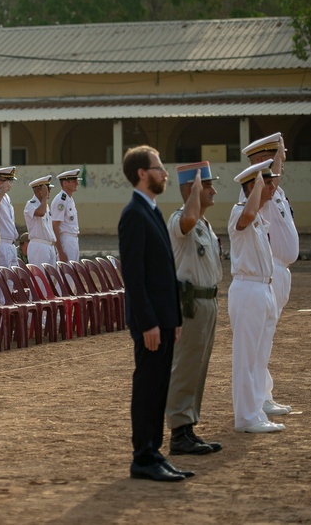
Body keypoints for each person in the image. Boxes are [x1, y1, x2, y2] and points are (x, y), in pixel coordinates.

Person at [118, 145, 192, 482]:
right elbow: (134, 276)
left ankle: (155, 451)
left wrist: (173, 318)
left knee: (160, 385)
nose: (164, 173)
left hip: (163, 320)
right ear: (142, 174)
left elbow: (165, 271)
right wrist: (148, 322)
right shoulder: (134, 213)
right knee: (148, 386)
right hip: (150, 323)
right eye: (159, 168)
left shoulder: (151, 209)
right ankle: (142, 456)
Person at [165, 162, 224, 455]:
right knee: (185, 366)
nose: (213, 191)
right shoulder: (180, 221)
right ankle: (178, 433)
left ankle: (188, 427)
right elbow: (186, 218)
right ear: (191, 191)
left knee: (198, 367)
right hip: (189, 304)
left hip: (208, 301)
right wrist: (194, 191)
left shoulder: (205, 225)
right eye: (207, 185)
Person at [242, 133, 299, 417]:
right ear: (264, 162)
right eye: (278, 158)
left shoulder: (275, 191)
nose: (282, 162)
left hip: (281, 272)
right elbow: (269, 180)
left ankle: (264, 394)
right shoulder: (260, 190)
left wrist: (275, 153)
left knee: (268, 337)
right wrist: (276, 152)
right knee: (262, 339)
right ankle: (258, 398)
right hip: (270, 271)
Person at [228, 157, 285, 434]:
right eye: (267, 185)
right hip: (247, 288)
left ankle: (256, 411)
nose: (272, 191)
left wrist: (264, 184)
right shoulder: (240, 211)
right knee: (246, 359)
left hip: (262, 287)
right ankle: (246, 417)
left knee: (258, 357)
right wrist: (257, 187)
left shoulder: (259, 218)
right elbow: (246, 217)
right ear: (252, 187)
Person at [0, 166, 20, 268]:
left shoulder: (6, 196)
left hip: (11, 243)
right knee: (2, 281)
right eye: (8, 181)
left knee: (13, 281)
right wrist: (1, 190)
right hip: (1, 242)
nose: (11, 184)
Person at [23, 175, 58, 267]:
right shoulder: (31, 204)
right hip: (39, 246)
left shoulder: (45, 205)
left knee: (51, 278)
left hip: (49, 245)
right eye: (47, 190)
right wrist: (44, 197)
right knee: (40, 278)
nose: (49, 192)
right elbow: (40, 213)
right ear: (38, 191)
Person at [52, 169, 82, 263]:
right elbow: (54, 226)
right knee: (67, 274)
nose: (77, 183)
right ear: (65, 183)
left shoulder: (69, 199)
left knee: (73, 273)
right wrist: (60, 251)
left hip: (73, 239)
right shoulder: (61, 200)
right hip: (66, 240)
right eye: (74, 181)